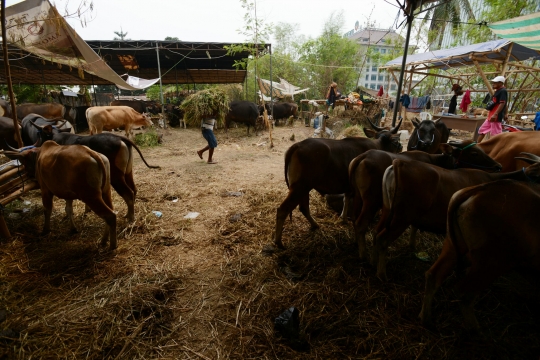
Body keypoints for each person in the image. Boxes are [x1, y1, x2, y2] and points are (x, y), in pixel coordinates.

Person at [477, 76, 507, 143]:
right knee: (482, 130)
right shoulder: (497, 91)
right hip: (490, 116)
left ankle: (495, 148)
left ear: (500, 83)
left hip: (495, 117)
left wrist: (496, 114)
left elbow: (503, 103)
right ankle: (477, 144)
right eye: (493, 83)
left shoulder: (503, 91)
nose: (493, 84)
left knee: (495, 135)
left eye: (495, 83)